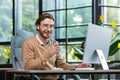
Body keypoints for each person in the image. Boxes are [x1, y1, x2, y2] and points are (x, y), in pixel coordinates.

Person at [22, 13, 91, 80]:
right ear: (38, 26)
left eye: (51, 26)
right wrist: (48, 54)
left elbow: (61, 64)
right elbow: (29, 67)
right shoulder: (28, 43)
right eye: (45, 25)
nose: (49, 29)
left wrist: (78, 67)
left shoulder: (53, 43)